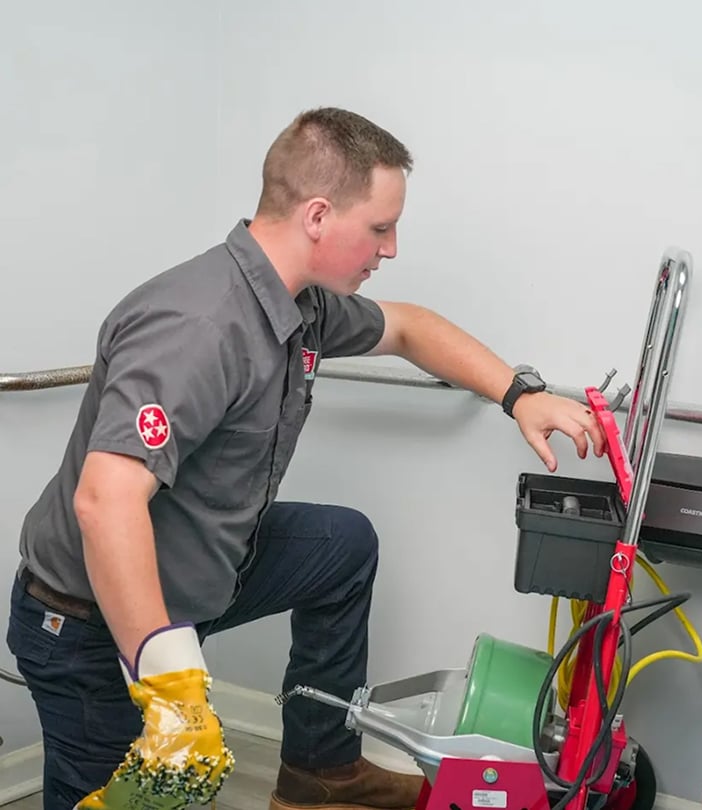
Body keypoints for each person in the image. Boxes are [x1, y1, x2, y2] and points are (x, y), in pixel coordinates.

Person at [6, 107, 605, 810]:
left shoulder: (302, 305)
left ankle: (321, 771)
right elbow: (103, 501)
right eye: (380, 228)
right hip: (88, 621)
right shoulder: (200, 325)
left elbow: (409, 326)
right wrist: (173, 692)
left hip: (198, 571)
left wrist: (519, 395)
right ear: (318, 215)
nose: (391, 249)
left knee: (340, 546)